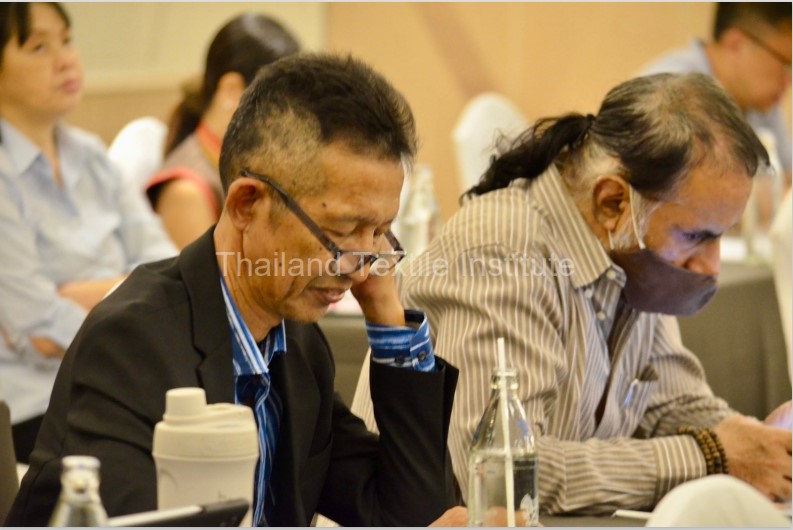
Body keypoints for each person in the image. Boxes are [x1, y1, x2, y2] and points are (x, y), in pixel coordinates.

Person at [7, 53, 461, 527]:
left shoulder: (297, 347)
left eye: (380, 232)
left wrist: (387, 316)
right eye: (343, 231)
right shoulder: (132, 345)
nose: (359, 267)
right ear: (246, 204)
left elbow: (412, 514)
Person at [351, 72, 792, 514]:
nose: (712, 266)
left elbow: (673, 403)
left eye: (720, 236)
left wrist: (765, 446)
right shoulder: (504, 252)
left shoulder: (630, 254)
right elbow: (504, 475)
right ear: (613, 202)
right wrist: (709, 456)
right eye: (696, 236)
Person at [0, 2, 176, 464]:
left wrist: (79, 294)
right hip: (35, 412)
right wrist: (129, 289)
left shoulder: (92, 156)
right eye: (39, 47)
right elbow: (40, 326)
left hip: (121, 387)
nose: (66, 60)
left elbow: (168, 272)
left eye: (67, 40)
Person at [145, 13, 300, 250]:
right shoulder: (186, 192)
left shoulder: (245, 162)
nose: (289, 115)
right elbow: (210, 276)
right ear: (231, 89)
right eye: (279, 100)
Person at [641, 3, 792, 184]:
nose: (789, 80)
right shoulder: (666, 91)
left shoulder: (760, 102)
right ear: (735, 44)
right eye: (785, 63)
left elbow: (788, 177)